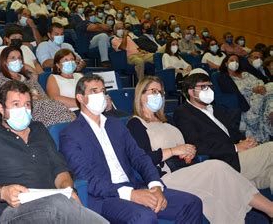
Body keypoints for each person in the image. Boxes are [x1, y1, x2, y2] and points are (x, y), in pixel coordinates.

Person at [59, 74, 203, 223]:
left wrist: (155, 185)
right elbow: (87, 178)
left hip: (135, 185)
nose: (100, 96)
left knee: (191, 203)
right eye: (94, 91)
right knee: (144, 216)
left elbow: (139, 157)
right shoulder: (70, 133)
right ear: (80, 98)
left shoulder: (116, 125)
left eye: (103, 91)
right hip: (104, 198)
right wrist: (131, 195)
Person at [127, 76, 273, 222]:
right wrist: (173, 151)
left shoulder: (167, 121)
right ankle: (270, 210)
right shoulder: (136, 124)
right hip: (164, 179)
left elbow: (186, 147)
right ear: (141, 95)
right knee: (217, 167)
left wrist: (188, 153)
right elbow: (142, 159)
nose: (158, 95)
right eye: (153, 91)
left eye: (161, 92)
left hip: (184, 170)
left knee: (222, 190)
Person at [0, 80, 108, 224]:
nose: (23, 109)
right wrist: (2, 192)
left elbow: (59, 168)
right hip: (14, 211)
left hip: (53, 204)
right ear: (1, 108)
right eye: (16, 104)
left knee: (63, 204)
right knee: (58, 205)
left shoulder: (39, 130)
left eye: (27, 104)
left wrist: (68, 189)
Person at [174, 73, 273, 192]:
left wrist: (245, 141)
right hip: (223, 161)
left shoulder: (216, 109)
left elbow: (232, 132)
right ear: (191, 92)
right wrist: (235, 147)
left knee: (270, 173)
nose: (209, 90)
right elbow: (197, 146)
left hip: (238, 157)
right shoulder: (184, 113)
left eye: (210, 86)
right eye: (204, 87)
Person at [0, 46, 75, 127]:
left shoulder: (28, 78)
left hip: (42, 107)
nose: (17, 61)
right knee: (58, 116)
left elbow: (44, 97)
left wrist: (38, 97)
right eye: (13, 58)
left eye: (19, 58)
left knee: (58, 108)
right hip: (22, 111)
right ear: (4, 61)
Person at [217, 54, 272, 143]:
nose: (235, 62)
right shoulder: (225, 77)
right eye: (232, 60)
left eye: (237, 61)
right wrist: (253, 89)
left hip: (261, 93)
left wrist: (261, 87)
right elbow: (236, 92)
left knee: (271, 88)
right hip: (247, 100)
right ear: (226, 63)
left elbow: (258, 81)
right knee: (270, 102)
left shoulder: (245, 73)